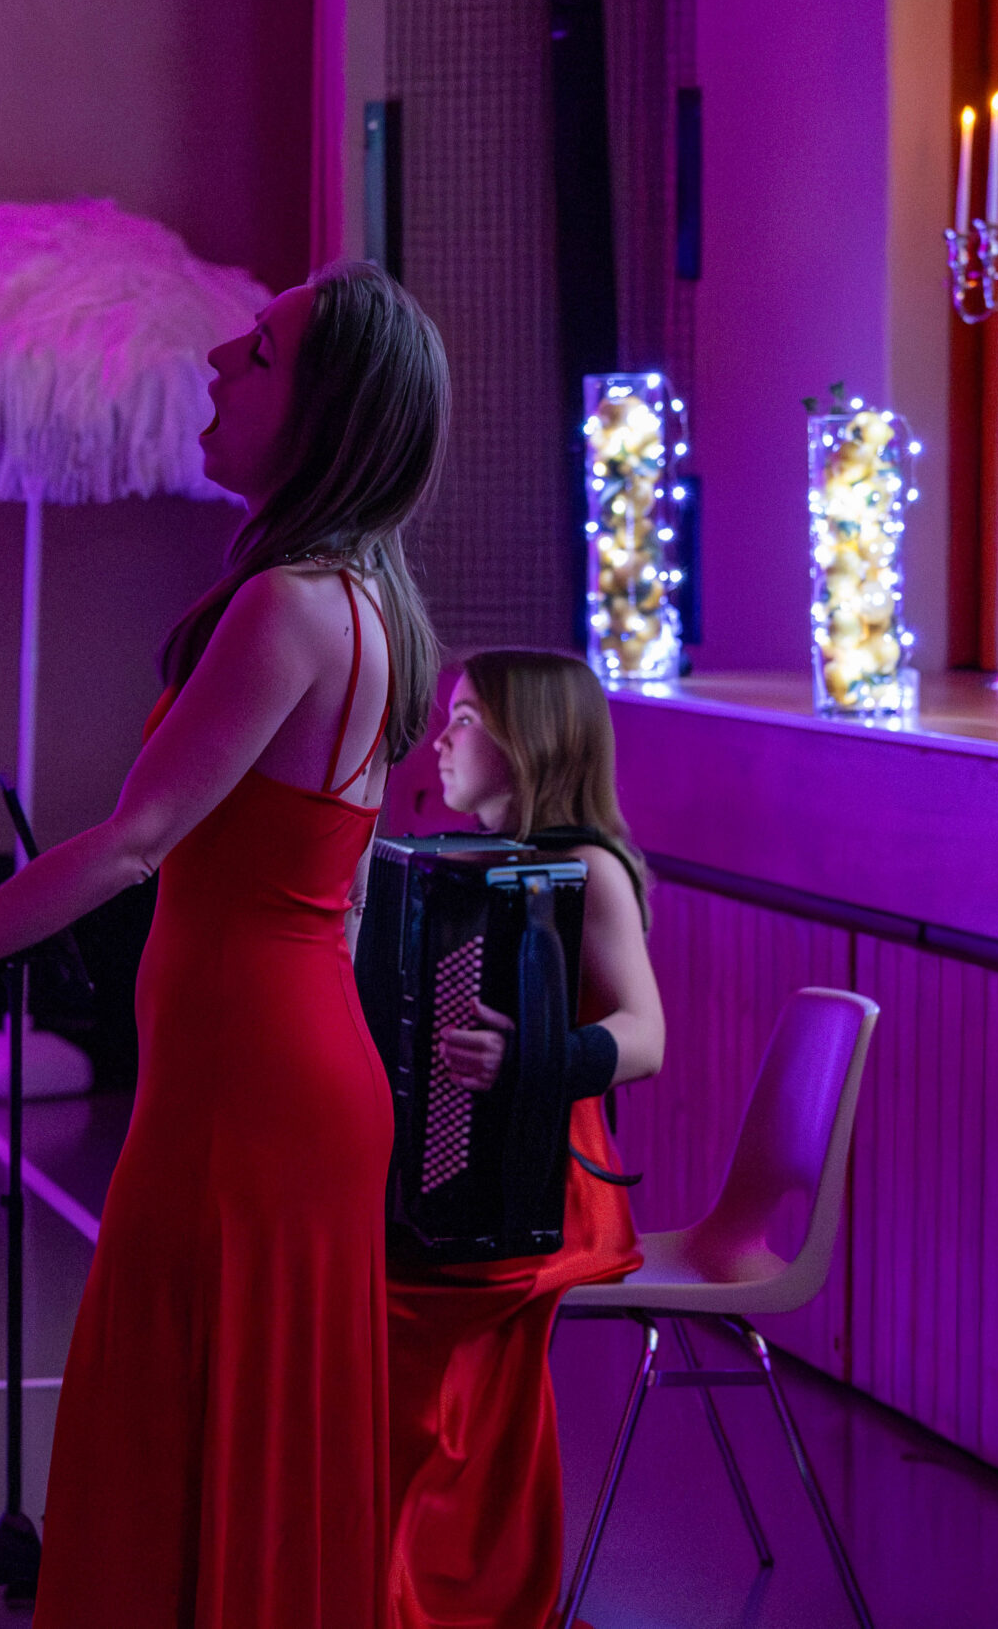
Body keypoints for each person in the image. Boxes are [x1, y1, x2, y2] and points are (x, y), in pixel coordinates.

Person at [0, 260, 449, 1629]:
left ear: (328, 413)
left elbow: (137, 843)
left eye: (259, 354)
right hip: (282, 1078)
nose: (217, 363)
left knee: (175, 1444)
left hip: (249, 1095)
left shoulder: (290, 605)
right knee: (230, 1453)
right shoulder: (359, 603)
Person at [388, 649, 665, 1629]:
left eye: (466, 719)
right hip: (486, 1180)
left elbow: (646, 1036)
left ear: (528, 741)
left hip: (550, 1193)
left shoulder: (590, 866)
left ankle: (434, 1593)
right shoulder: (472, 865)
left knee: (391, 1318)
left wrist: (530, 1056)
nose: (441, 740)